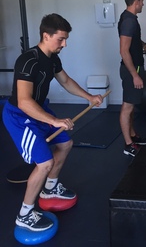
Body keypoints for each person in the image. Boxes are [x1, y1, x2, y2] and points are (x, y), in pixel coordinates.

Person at [2, 13, 103, 231]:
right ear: (46, 36)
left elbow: (65, 81)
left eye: (66, 39)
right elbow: (24, 102)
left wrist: (89, 97)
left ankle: (50, 187)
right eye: (61, 39)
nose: (65, 44)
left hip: (39, 109)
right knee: (44, 163)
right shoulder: (28, 60)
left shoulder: (53, 58)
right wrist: (55, 120)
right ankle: (25, 214)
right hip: (20, 116)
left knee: (66, 144)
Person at [118, 0, 146, 157]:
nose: (143, 4)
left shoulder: (129, 18)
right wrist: (135, 75)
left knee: (130, 106)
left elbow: (132, 41)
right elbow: (124, 51)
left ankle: (132, 135)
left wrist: (142, 44)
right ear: (136, 1)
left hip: (134, 68)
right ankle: (128, 145)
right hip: (131, 70)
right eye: (142, 1)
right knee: (127, 107)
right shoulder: (129, 20)